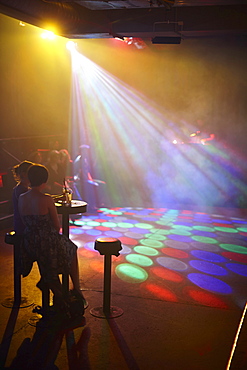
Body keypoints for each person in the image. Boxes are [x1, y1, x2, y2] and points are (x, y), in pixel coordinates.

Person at [18, 164, 85, 306]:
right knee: (71, 249)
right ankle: (76, 289)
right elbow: (56, 226)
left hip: (29, 241)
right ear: (44, 181)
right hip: (45, 241)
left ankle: (51, 282)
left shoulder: (22, 198)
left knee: (52, 253)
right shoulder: (46, 199)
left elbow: (24, 221)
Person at [12, 160, 33, 235]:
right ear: (24, 174)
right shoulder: (21, 190)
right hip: (23, 226)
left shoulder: (24, 188)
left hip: (23, 224)